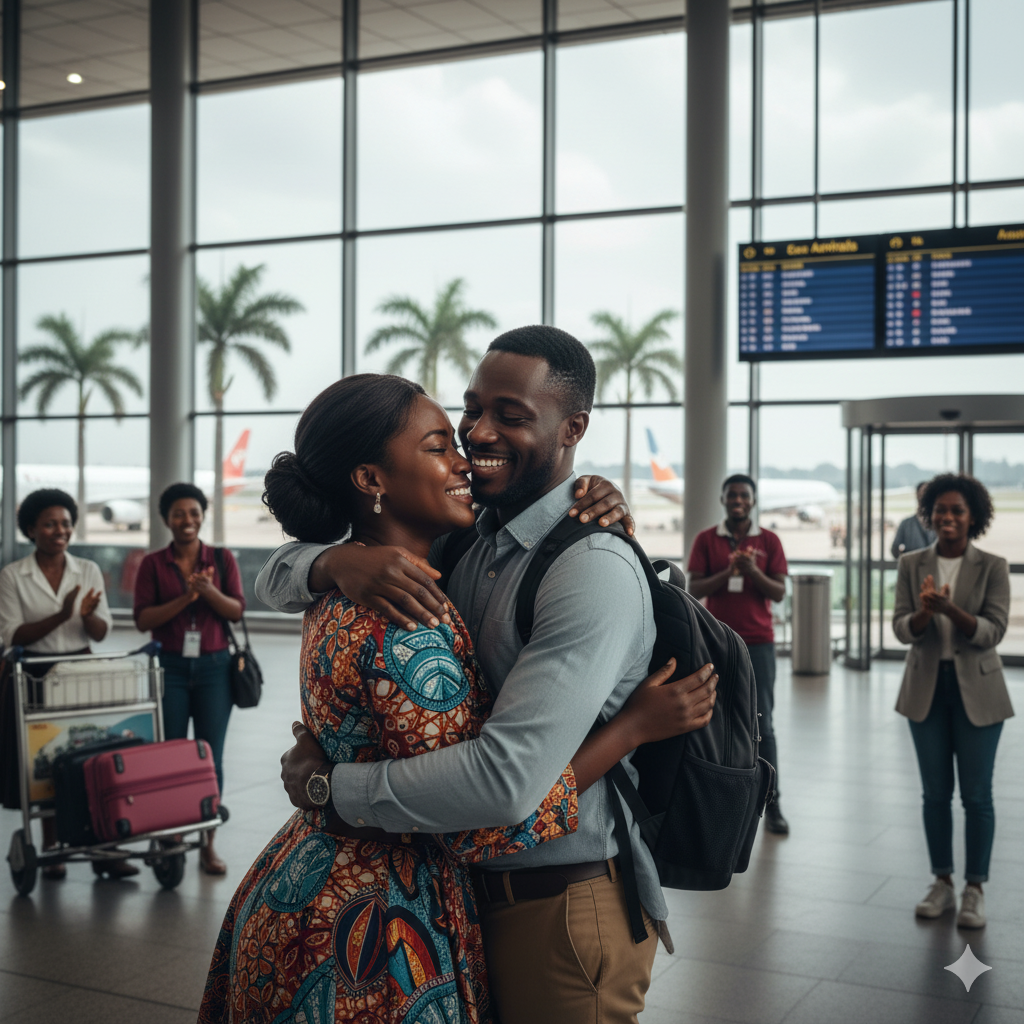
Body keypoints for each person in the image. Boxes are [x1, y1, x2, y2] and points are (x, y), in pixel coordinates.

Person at [199, 372, 716, 1023]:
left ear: (572, 430)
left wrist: (330, 789)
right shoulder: (406, 598)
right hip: (376, 925)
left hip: (336, 887)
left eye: (506, 414)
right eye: (452, 432)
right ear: (370, 480)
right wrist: (632, 728)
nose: (471, 444)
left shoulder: (402, 571)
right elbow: (487, 810)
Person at [893, 474, 1012, 929]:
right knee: (935, 795)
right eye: (939, 510)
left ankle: (974, 888)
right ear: (929, 514)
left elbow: (992, 632)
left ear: (973, 517)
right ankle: (941, 882)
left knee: (977, 797)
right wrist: (925, 613)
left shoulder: (992, 565)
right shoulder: (912, 564)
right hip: (926, 688)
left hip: (978, 691)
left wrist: (950, 611)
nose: (947, 517)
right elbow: (902, 628)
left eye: (957, 510)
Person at [0, 488, 127, 879]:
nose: (60, 531)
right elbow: (12, 636)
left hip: (77, 671)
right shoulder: (12, 576)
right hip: (32, 673)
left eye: (66, 524)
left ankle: (100, 844)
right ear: (31, 529)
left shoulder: (86, 570)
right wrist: (62, 613)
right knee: (44, 760)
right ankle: (52, 846)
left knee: (87, 753)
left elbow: (101, 630)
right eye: (50, 524)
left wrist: (85, 616)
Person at [133, 482, 244, 875]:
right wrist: (185, 599)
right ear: (166, 519)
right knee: (171, 756)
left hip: (215, 668)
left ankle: (207, 843)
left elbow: (234, 611)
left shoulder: (221, 558)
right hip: (171, 669)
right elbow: (143, 620)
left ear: (202, 516)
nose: (188, 520)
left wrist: (208, 591)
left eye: (194, 513)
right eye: (179, 514)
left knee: (210, 757)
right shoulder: (152, 564)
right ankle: (172, 836)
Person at [686, 474, 790, 835]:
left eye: (744, 495)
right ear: (723, 499)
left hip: (758, 644)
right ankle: (719, 801)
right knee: (714, 722)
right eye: (732, 495)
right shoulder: (706, 540)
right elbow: (693, 587)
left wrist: (752, 572)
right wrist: (728, 572)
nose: (738, 500)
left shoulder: (769, 540)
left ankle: (771, 803)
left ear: (753, 500)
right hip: (717, 643)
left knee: (764, 725)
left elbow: (778, 593)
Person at [891, 481, 936, 559]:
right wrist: (908, 562)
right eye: (923, 494)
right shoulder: (905, 524)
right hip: (914, 569)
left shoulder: (937, 523)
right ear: (917, 495)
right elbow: (894, 549)